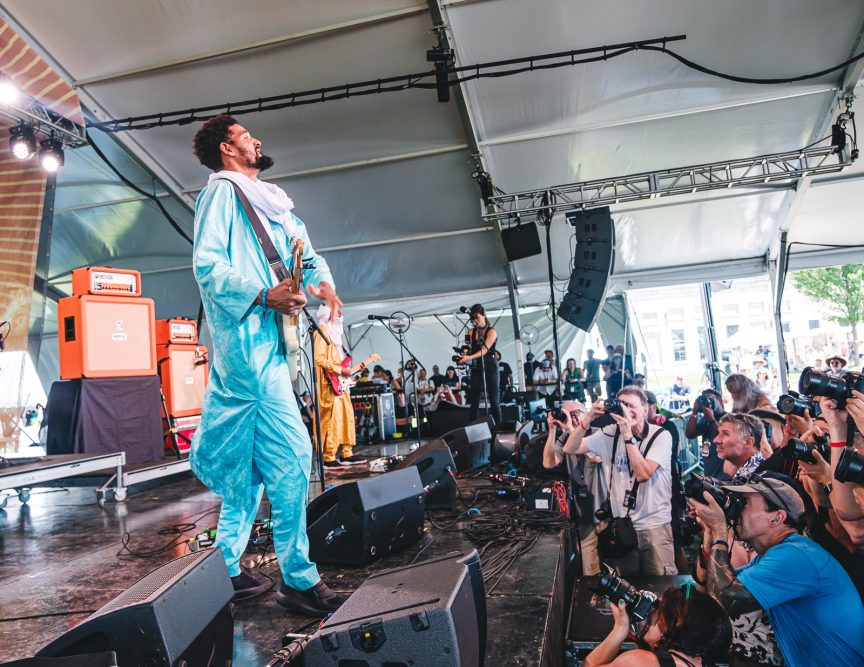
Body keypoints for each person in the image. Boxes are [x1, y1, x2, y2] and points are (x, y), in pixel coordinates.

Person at [190, 115, 343, 615]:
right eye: (245, 136)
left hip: (275, 345)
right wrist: (261, 293)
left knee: (247, 466)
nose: (256, 139)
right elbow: (208, 265)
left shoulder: (273, 203)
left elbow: (307, 255)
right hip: (250, 350)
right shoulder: (222, 195)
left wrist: (325, 287)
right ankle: (298, 578)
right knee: (295, 459)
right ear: (227, 149)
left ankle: (225, 567)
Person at [691, 472, 864, 667]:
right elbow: (710, 591)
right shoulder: (773, 556)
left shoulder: (795, 554)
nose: (736, 509)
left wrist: (720, 533)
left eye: (745, 503)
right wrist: (709, 541)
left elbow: (730, 598)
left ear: (777, 518)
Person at [563, 387, 677, 575]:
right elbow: (570, 448)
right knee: (627, 590)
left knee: (659, 590)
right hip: (623, 526)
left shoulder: (660, 436)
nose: (626, 411)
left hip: (654, 527)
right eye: (621, 405)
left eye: (631, 406)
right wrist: (588, 419)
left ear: (645, 409)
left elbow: (643, 473)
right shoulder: (609, 433)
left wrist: (627, 436)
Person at [582, 586, 732, 667]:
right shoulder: (699, 661)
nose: (650, 613)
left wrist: (620, 629)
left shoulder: (639, 662)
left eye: (659, 609)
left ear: (670, 624)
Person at [543, 400, 607, 575]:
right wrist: (553, 430)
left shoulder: (598, 433)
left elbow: (593, 457)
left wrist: (573, 429)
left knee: (615, 564)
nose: (570, 418)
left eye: (575, 413)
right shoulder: (564, 439)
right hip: (584, 513)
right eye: (567, 415)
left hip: (606, 511)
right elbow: (548, 463)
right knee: (589, 569)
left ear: (586, 413)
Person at [313, 305, 367, 469]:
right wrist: (339, 369)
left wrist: (348, 372)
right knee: (333, 420)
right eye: (337, 310)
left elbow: (340, 360)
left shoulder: (336, 335)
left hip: (340, 383)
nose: (341, 313)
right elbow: (319, 359)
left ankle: (347, 453)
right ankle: (328, 457)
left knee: (347, 416)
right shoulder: (321, 332)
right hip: (329, 385)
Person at [457, 304, 501, 424]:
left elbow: (485, 350)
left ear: (483, 315)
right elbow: (469, 346)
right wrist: (466, 351)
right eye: (473, 320)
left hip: (490, 366)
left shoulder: (492, 331)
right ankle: (473, 428)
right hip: (477, 367)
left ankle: (497, 428)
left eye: (477, 318)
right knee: (474, 400)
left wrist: (469, 357)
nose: (475, 322)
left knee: (494, 400)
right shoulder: (471, 331)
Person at [685, 389, 726, 479]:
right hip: (709, 471)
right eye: (704, 399)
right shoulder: (705, 419)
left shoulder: (728, 418)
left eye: (710, 399)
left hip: (724, 472)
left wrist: (711, 419)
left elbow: (724, 436)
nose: (707, 402)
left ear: (719, 400)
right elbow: (690, 434)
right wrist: (694, 413)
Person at [714, 413, 764, 481]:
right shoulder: (745, 475)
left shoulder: (761, 479)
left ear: (747, 442)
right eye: (719, 433)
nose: (716, 440)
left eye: (725, 434)